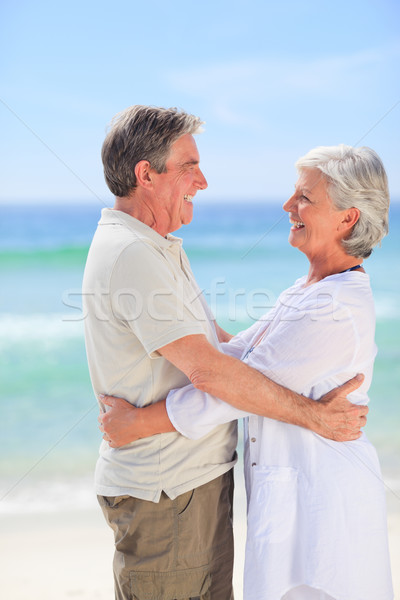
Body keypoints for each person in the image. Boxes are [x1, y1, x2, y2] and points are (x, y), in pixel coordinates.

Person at [83, 105, 367, 600]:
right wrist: (314, 417)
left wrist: (289, 342)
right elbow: (212, 372)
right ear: (146, 174)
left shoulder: (159, 245)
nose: (205, 181)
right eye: (190, 166)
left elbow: (219, 345)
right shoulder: (133, 253)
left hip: (189, 491)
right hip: (166, 493)